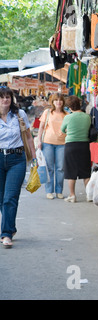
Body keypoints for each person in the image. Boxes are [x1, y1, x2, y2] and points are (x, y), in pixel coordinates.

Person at [0, 86, 37, 248]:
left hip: (17, 159)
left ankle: (6, 234)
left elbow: (28, 137)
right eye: (1, 97)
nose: (5, 100)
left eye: (8, 97)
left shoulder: (19, 115)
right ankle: (10, 226)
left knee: (10, 197)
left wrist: (34, 158)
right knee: (2, 199)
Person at [37, 93, 68, 200]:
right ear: (53, 102)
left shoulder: (66, 114)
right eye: (56, 100)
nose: (58, 102)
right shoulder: (48, 112)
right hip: (48, 142)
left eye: (60, 100)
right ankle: (49, 191)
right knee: (49, 168)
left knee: (60, 168)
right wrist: (39, 140)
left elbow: (69, 129)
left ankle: (59, 191)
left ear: (63, 102)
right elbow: (41, 127)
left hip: (62, 144)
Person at [60, 96, 91, 203]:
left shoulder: (68, 117)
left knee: (71, 171)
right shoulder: (87, 117)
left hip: (71, 145)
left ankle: (72, 195)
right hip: (84, 145)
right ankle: (89, 195)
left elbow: (62, 129)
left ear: (69, 107)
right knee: (86, 171)